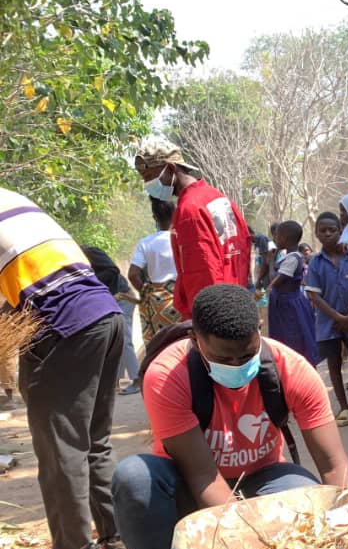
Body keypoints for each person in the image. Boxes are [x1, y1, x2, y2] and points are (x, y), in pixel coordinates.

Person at [111, 284, 348, 549]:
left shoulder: (291, 370)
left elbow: (334, 466)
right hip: (189, 486)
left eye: (247, 354)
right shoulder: (167, 376)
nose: (238, 365)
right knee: (134, 479)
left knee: (305, 497)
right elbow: (202, 477)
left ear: (259, 331)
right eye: (224, 357)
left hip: (261, 478)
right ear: (195, 341)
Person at [2, 187, 132, 549]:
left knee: (60, 446)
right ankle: (118, 539)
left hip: (64, 326)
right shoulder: (11, 199)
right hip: (104, 316)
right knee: (93, 440)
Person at [133, 137, 251, 319]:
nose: (147, 185)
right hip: (237, 304)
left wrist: (205, 324)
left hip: (215, 317)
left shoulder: (190, 211)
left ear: (171, 168)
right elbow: (243, 248)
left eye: (149, 177)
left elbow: (202, 273)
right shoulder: (217, 197)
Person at [305, 212, 348, 428]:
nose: (328, 233)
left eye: (332, 229)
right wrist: (338, 317)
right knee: (334, 365)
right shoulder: (316, 263)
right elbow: (314, 295)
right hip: (328, 323)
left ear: (340, 231)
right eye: (323, 230)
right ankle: (344, 407)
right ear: (317, 234)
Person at [82, 245, 141, 393]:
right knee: (117, 339)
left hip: (123, 297)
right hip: (115, 299)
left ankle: (137, 380)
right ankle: (115, 382)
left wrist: (90, 281)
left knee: (124, 340)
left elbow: (113, 269)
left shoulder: (87, 251)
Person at [129, 197, 181, 347]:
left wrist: (146, 291)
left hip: (158, 303)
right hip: (182, 298)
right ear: (175, 212)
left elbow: (133, 275)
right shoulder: (182, 238)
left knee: (162, 346)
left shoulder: (145, 243)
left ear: (154, 217)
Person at [267, 220, 319, 367]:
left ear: (284, 238)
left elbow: (275, 280)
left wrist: (271, 262)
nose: (275, 239)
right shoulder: (290, 256)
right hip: (285, 303)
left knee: (293, 338)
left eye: (276, 236)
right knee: (289, 337)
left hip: (288, 306)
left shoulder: (292, 259)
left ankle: (302, 370)